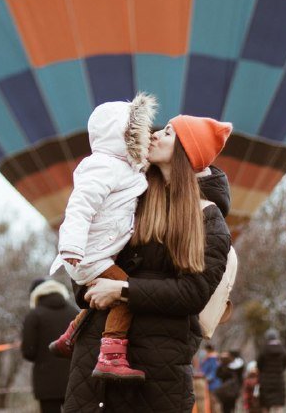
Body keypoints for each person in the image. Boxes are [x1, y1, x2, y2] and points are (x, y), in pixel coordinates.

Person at [63, 115, 234, 412]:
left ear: (186, 150)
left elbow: (193, 293)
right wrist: (87, 283)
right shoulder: (129, 198)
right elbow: (89, 260)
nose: (154, 134)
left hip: (158, 365)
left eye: (168, 133)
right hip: (95, 359)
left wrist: (123, 290)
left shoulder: (207, 218)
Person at [48, 93, 157, 381]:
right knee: (125, 294)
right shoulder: (102, 166)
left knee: (103, 298)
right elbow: (80, 207)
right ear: (125, 134)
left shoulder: (128, 169)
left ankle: (71, 335)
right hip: (88, 253)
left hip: (99, 252)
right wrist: (70, 245)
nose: (148, 137)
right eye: (141, 132)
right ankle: (111, 356)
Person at [22, 278, 80, 413]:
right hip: (74, 379)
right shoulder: (75, 313)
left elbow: (28, 351)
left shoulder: (34, 315)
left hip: (46, 383)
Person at [257, 330, 286, 412]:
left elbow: (259, 365)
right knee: (278, 404)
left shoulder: (264, 350)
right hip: (279, 380)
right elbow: (285, 364)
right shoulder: (282, 349)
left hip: (266, 381)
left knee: (265, 404)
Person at [200, 344, 222, 412]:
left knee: (214, 403)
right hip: (212, 385)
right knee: (212, 404)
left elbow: (214, 372)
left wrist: (206, 379)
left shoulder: (212, 359)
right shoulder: (211, 359)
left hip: (213, 385)